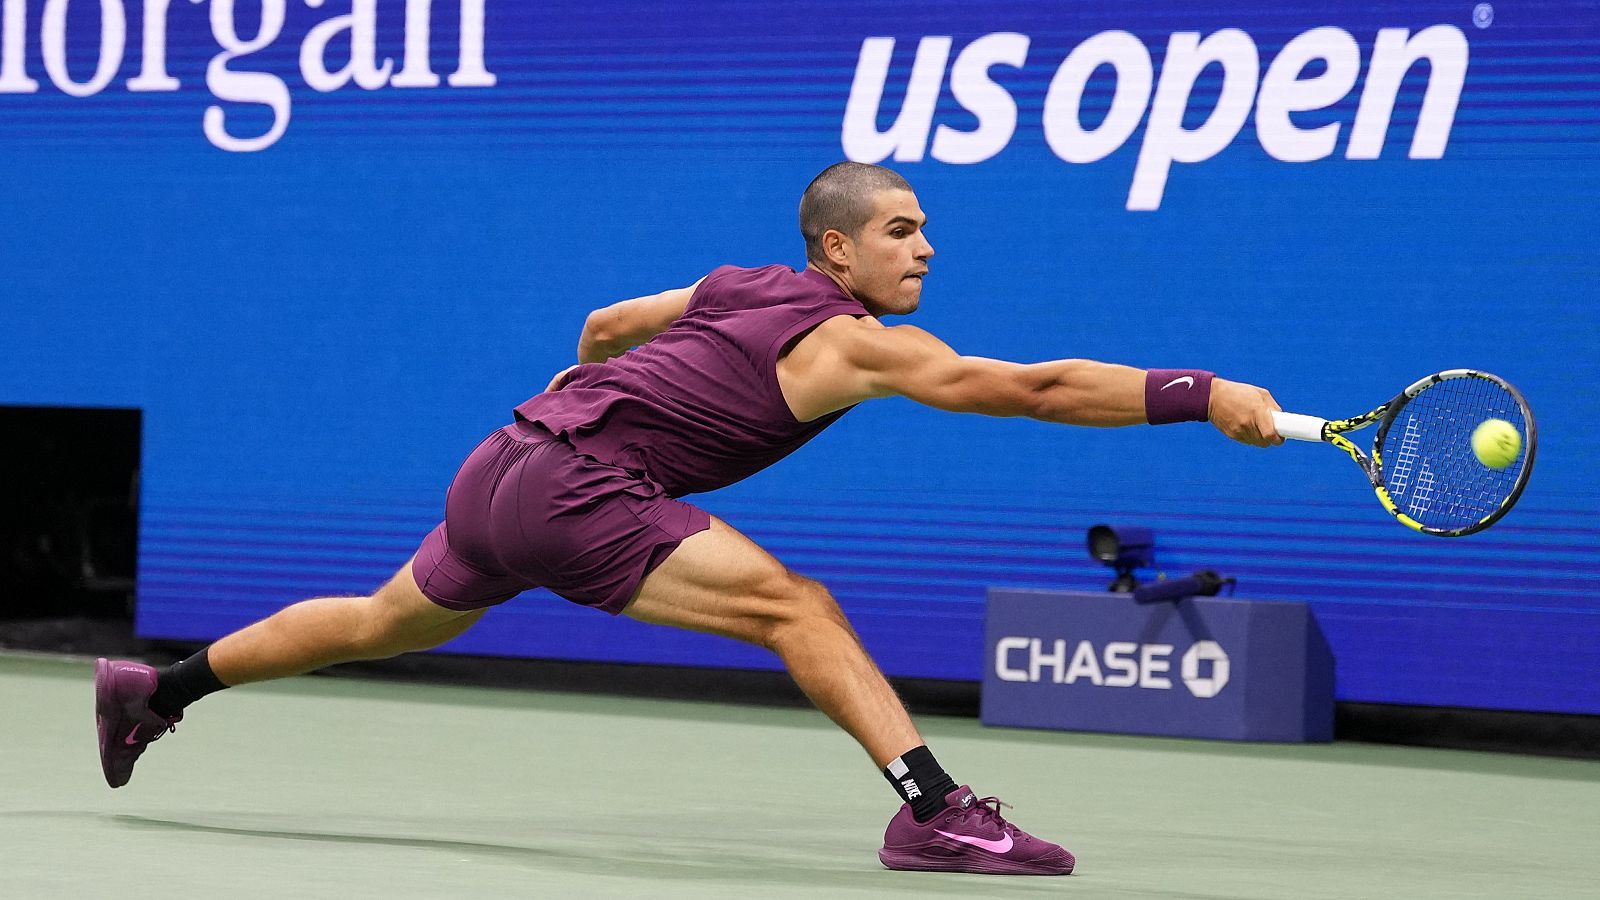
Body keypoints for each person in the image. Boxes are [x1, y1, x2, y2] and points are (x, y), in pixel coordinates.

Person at [94, 162, 1283, 876]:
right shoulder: (854, 343)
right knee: (797, 607)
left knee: (382, 620)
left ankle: (160, 689)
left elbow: (609, 324)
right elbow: (1025, 389)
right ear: (838, 246)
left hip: (503, 462)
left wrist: (580, 406)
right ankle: (936, 817)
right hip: (577, 489)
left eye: (924, 229)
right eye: (900, 230)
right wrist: (1200, 394)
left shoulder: (735, 287)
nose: (925, 246)